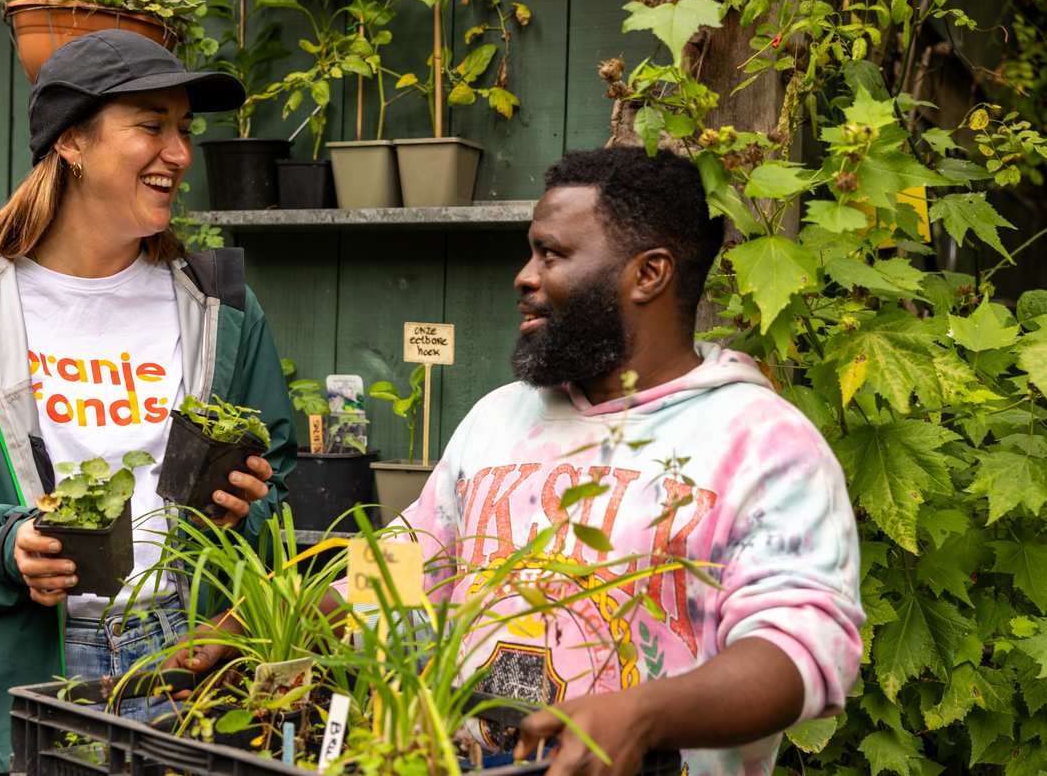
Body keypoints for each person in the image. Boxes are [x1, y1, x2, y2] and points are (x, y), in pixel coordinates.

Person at [168, 146, 863, 773]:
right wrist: (266, 621)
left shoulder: (761, 442)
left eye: (552, 254)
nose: (524, 278)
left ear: (648, 274)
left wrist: (643, 714)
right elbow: (410, 564)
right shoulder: (501, 417)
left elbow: (804, 649)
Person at [0, 30, 296, 775]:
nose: (178, 153)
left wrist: (246, 511)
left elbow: (286, 491)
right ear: (72, 143)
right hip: (10, 687)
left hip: (186, 671)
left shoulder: (222, 309)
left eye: (184, 129)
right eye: (151, 125)